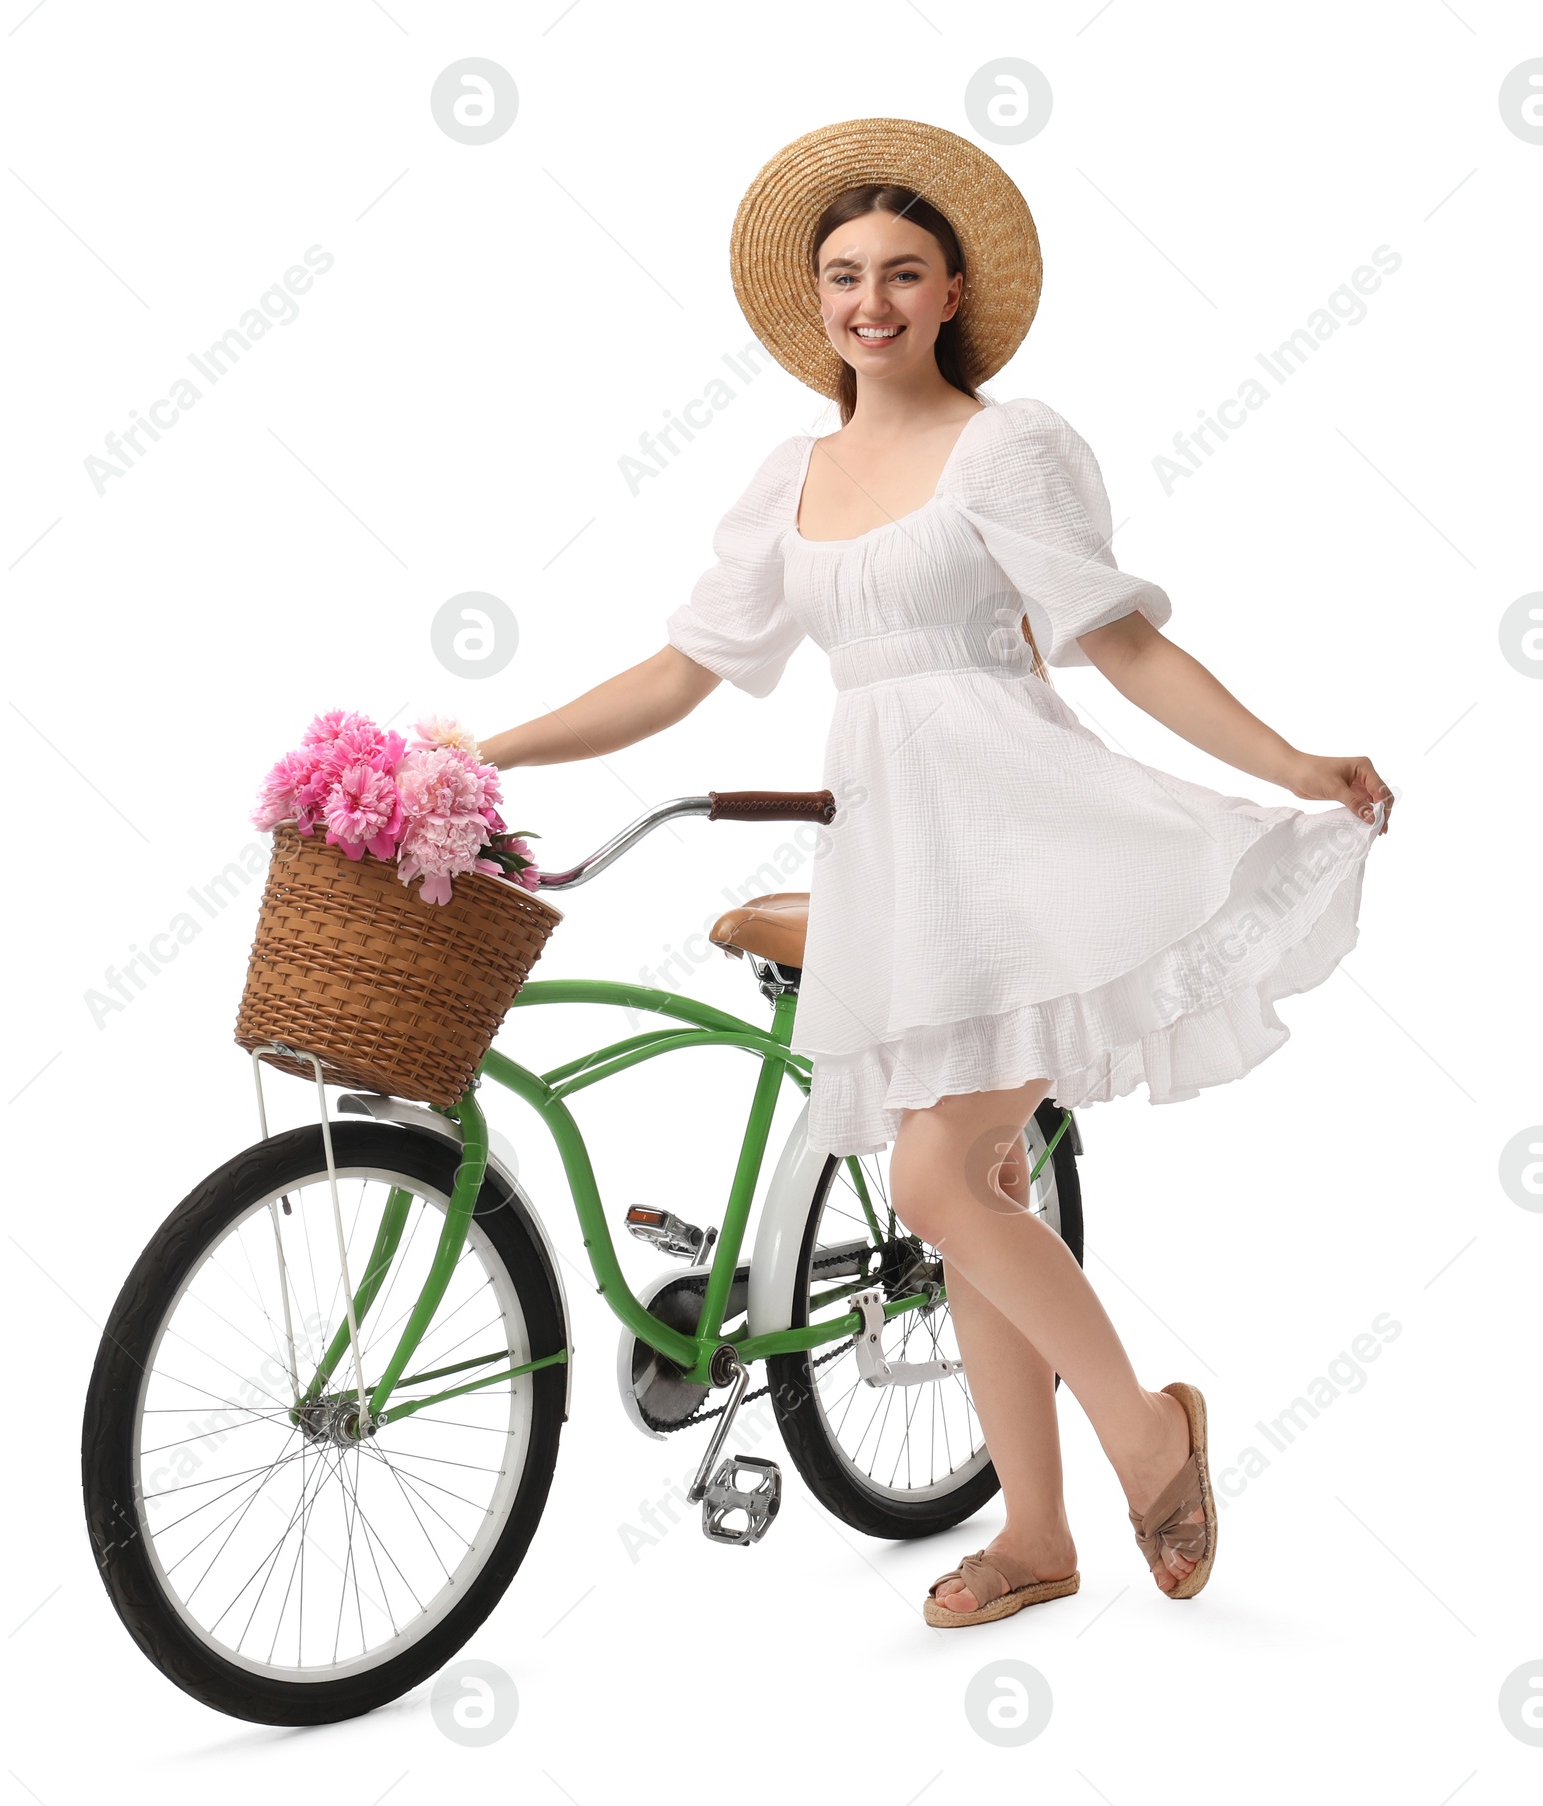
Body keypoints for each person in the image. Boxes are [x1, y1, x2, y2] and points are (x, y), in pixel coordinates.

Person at [475, 118, 1394, 1627]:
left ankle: (1150, 1433)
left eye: (905, 272)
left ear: (954, 288)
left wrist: (1288, 764)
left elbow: (1120, 641)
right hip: (904, 857)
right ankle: (1035, 1535)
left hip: (1027, 834)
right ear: (814, 300)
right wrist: (493, 746)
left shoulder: (1009, 445)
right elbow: (681, 671)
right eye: (845, 276)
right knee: (968, 1187)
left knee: (928, 1176)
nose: (872, 302)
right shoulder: (792, 474)